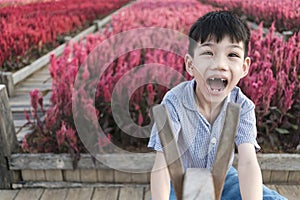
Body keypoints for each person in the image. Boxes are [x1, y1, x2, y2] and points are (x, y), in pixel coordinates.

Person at [148, 10, 287, 200]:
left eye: (232, 54)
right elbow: (161, 165)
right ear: (190, 65)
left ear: (244, 67)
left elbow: (247, 162)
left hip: (224, 177)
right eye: (208, 52)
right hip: (182, 179)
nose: (220, 64)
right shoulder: (174, 101)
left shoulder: (243, 106)